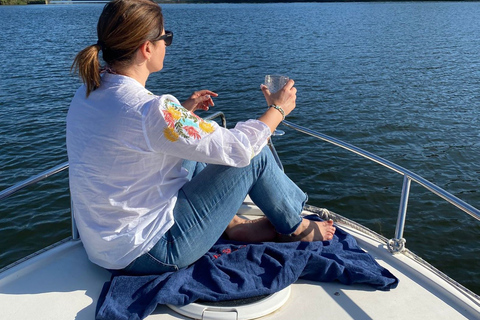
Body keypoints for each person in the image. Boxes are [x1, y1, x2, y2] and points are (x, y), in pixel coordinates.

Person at [67, 0, 335, 276]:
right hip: (153, 250)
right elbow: (240, 148)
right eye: (165, 37)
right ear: (147, 48)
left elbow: (135, 133)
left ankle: (230, 223)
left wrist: (183, 112)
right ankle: (295, 227)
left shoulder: (88, 92)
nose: (167, 44)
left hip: (103, 244)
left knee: (190, 152)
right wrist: (277, 110)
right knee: (256, 156)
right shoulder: (152, 110)